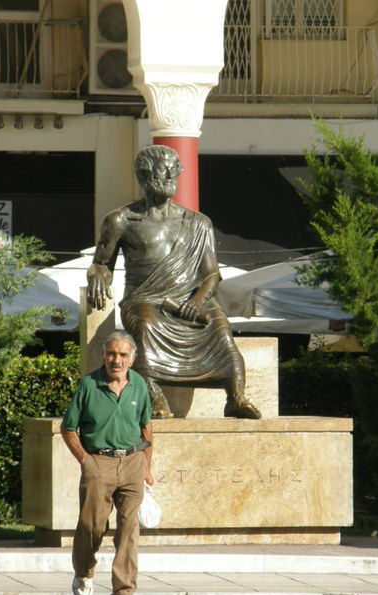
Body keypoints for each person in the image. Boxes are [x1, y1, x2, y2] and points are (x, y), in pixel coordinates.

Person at [86, 144, 260, 420]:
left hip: (191, 300)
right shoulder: (121, 220)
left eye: (173, 171)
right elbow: (101, 263)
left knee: (221, 330)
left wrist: (196, 301)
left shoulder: (198, 223)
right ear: (144, 176)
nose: (169, 176)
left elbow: (212, 275)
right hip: (145, 300)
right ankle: (155, 397)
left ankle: (236, 397)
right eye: (162, 171)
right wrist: (96, 275)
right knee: (145, 327)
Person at [60, 330, 153, 595]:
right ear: (104, 355)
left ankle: (124, 590)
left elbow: (146, 427)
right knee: (92, 526)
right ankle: (84, 572)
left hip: (133, 462)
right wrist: (86, 461)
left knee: (129, 527)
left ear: (132, 359)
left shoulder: (139, 385)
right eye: (112, 354)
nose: (117, 360)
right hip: (98, 462)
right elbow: (68, 428)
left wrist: (147, 467)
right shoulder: (89, 384)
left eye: (123, 355)